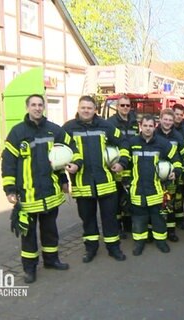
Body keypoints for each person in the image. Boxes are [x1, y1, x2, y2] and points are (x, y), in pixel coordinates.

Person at [1, 94, 79, 283]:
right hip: (27, 194)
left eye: (40, 105)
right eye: (33, 105)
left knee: (50, 230)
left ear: (44, 107)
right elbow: (8, 163)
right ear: (27, 107)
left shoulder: (54, 130)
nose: (37, 108)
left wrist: (66, 175)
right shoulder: (17, 133)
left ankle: (52, 260)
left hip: (50, 192)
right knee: (28, 234)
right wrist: (10, 189)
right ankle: (30, 269)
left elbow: (69, 150)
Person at [63, 95, 129, 264]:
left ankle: (114, 248)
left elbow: (124, 143)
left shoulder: (106, 126)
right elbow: (59, 152)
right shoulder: (68, 128)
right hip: (82, 184)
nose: (86, 110)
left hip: (106, 183)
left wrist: (122, 163)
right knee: (88, 220)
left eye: (89, 108)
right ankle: (91, 249)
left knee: (110, 219)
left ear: (95, 110)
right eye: (83, 107)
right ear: (78, 108)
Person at [127, 115, 183, 256]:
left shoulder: (162, 143)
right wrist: (126, 182)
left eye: (150, 126)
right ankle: (139, 243)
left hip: (157, 189)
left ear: (154, 126)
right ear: (141, 126)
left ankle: (161, 242)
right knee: (139, 219)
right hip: (137, 189)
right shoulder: (132, 142)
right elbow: (125, 162)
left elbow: (176, 158)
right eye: (145, 126)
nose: (147, 128)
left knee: (158, 218)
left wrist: (176, 171)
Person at [106, 95, 139, 238]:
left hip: (131, 164)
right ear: (117, 106)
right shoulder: (110, 122)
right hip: (116, 164)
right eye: (122, 105)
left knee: (128, 195)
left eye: (127, 105)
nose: (125, 108)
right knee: (116, 198)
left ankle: (128, 225)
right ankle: (117, 227)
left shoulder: (133, 121)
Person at [155, 109, 184, 242]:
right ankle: (155, 230)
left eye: (170, 120)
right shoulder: (154, 133)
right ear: (160, 119)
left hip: (172, 176)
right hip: (155, 175)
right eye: (165, 119)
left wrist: (180, 169)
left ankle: (170, 231)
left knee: (170, 204)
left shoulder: (178, 136)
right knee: (156, 203)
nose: (168, 122)